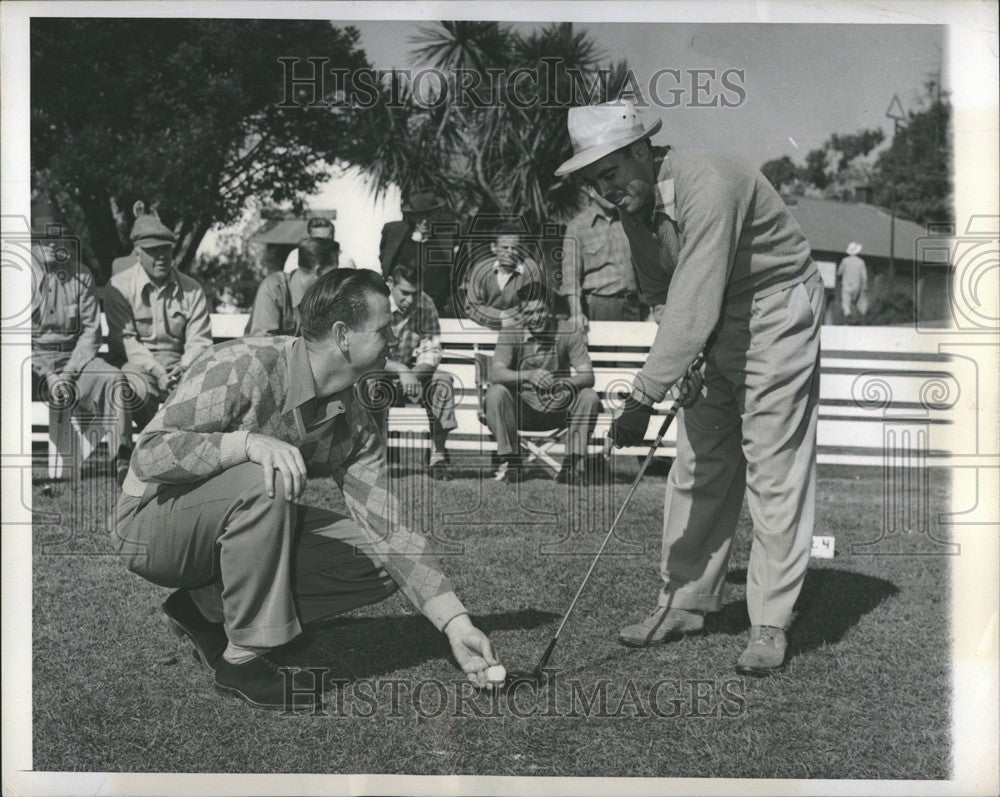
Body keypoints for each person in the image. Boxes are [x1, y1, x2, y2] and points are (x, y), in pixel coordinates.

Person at [111, 269, 502, 709]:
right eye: (383, 328)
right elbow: (151, 454)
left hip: (231, 523)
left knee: (378, 557)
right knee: (267, 477)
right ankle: (242, 660)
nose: (394, 338)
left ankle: (204, 608)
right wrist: (249, 444)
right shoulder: (241, 366)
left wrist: (456, 623)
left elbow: (388, 529)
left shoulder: (355, 420)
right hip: (148, 526)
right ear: (342, 336)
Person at [559, 99, 823, 675]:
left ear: (640, 151)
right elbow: (665, 296)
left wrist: (642, 398)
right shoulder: (634, 204)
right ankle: (683, 603)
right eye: (592, 181)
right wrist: (691, 359)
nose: (604, 191)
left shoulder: (708, 182)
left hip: (776, 309)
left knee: (772, 465)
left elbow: (697, 292)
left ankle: (770, 623)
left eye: (609, 173)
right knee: (698, 461)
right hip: (709, 320)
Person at [30, 207, 134, 485]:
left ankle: (122, 461)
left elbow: (90, 333)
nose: (53, 244)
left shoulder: (82, 275)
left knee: (115, 380)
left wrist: (67, 373)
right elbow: (16, 339)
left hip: (74, 362)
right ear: (33, 244)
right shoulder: (18, 277)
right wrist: (48, 374)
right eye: (44, 239)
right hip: (30, 366)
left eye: (58, 237)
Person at [484, 281, 601, 485]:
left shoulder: (568, 331)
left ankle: (571, 465)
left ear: (550, 308)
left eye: (540, 310)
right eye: (529, 312)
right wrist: (528, 375)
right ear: (520, 312)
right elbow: (496, 373)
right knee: (496, 393)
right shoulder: (511, 332)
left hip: (558, 408)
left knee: (589, 396)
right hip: (522, 411)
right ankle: (513, 463)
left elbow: (587, 376)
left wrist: (563, 383)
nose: (536, 317)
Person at [105, 213, 213, 431]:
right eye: (152, 251)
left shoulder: (191, 289)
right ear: (137, 252)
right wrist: (158, 371)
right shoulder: (120, 287)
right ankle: (148, 446)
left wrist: (184, 367)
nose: (161, 256)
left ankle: (173, 449)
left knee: (206, 390)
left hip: (180, 368)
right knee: (133, 386)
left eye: (166, 249)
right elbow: (126, 341)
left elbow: (199, 340)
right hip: (140, 367)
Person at [360, 261, 457, 480]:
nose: (411, 300)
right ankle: (377, 458)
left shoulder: (425, 305)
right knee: (372, 383)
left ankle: (437, 457)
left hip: (410, 377)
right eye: (405, 293)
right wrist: (401, 370)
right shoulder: (373, 304)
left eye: (416, 292)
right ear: (390, 283)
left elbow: (431, 350)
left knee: (442, 382)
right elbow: (366, 357)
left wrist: (412, 374)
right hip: (377, 372)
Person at [559, 185, 643, 325]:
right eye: (604, 188)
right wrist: (576, 314)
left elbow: (644, 268)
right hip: (599, 306)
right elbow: (570, 277)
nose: (612, 192)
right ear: (591, 190)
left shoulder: (628, 221)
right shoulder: (577, 227)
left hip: (633, 305)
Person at [379, 189, 457, 316]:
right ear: (412, 216)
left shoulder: (447, 237)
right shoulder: (394, 233)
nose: (425, 221)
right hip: (400, 309)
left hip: (436, 311)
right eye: (421, 216)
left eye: (429, 214)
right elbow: (384, 261)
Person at [245, 237, 340, 336]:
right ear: (318, 271)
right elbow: (264, 345)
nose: (338, 277)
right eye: (335, 270)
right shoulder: (274, 289)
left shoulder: (323, 298)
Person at [461, 220, 546, 330]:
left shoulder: (530, 268)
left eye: (515, 248)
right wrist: (501, 316)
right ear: (494, 247)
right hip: (485, 330)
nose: (510, 252)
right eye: (505, 247)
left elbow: (532, 305)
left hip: (520, 330)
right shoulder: (481, 270)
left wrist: (509, 317)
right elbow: (471, 307)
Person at [282, 216, 354, 273]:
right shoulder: (295, 255)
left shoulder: (344, 260)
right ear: (309, 238)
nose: (324, 244)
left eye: (327, 239)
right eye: (318, 240)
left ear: (333, 237)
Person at [838, 241, 869, 320]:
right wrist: (864, 286)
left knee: (845, 302)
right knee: (855, 302)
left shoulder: (845, 261)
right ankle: (856, 317)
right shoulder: (861, 262)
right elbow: (864, 276)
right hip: (856, 286)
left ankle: (848, 315)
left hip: (846, 285)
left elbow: (839, 272)